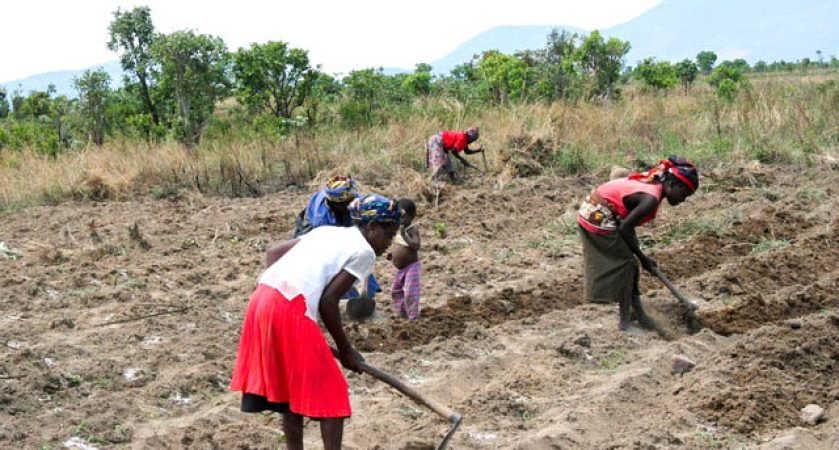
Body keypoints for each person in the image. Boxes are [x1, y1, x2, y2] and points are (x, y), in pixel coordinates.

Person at [230, 194, 401, 450]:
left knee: (290, 390)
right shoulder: (364, 252)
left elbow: (273, 252)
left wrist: (283, 285)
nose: (389, 243)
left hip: (263, 298)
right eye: (389, 234)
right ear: (372, 226)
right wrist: (346, 350)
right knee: (333, 394)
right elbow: (328, 301)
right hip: (289, 308)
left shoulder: (328, 232)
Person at [577, 156, 699, 332]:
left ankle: (640, 315)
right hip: (597, 216)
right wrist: (642, 258)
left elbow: (628, 225)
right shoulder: (650, 199)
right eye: (684, 193)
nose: (683, 200)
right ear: (673, 184)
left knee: (632, 261)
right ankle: (625, 322)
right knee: (627, 264)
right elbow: (625, 228)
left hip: (603, 211)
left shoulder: (653, 186)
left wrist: (641, 255)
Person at [293, 175, 381, 300]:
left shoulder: (353, 201)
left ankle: (362, 293)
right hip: (314, 232)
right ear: (336, 204)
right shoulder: (321, 217)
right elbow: (329, 250)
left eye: (351, 201)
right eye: (346, 204)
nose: (350, 204)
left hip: (342, 221)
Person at [389, 198, 422, 320]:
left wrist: (405, 235)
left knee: (410, 293)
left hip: (411, 268)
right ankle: (403, 314)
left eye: (403, 217)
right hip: (401, 269)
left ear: (412, 216)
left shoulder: (412, 230)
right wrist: (392, 255)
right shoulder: (398, 230)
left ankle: (413, 317)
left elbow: (416, 245)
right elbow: (398, 245)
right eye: (399, 217)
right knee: (395, 291)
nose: (400, 220)